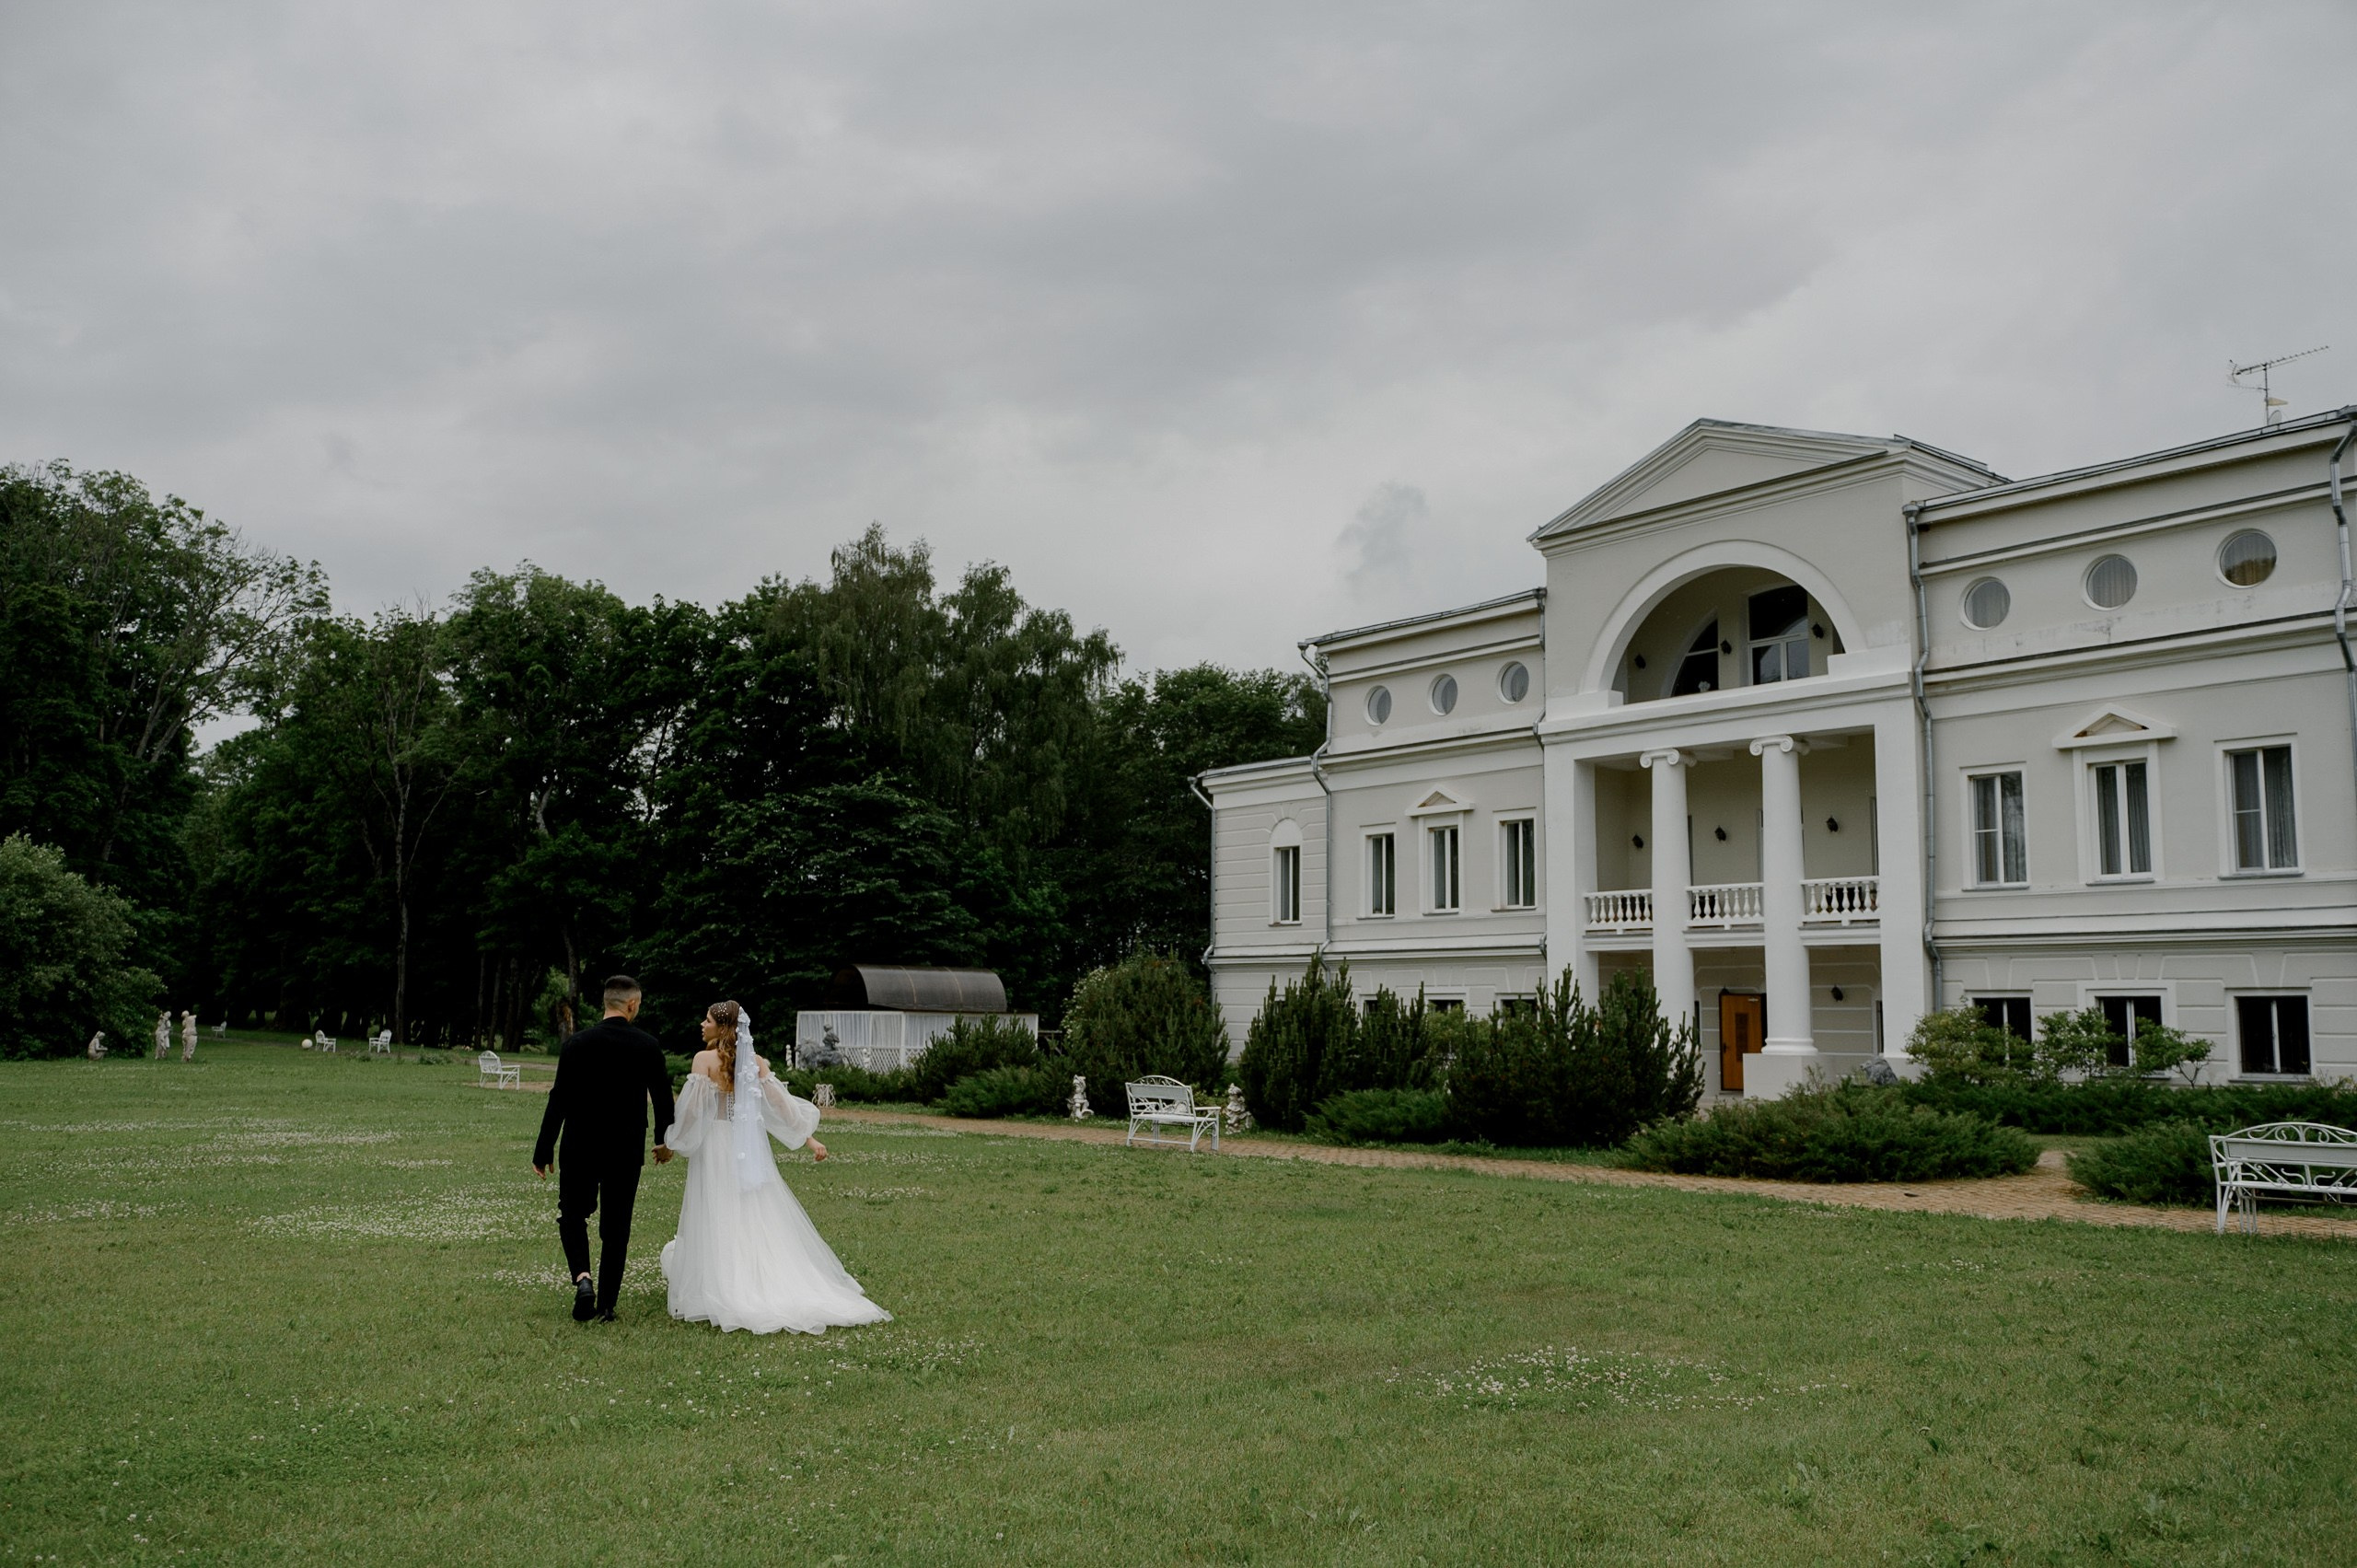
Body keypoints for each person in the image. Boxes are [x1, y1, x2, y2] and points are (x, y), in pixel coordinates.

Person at [659, 999, 889, 1335]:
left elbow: (692, 1113)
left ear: (722, 1028)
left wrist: (671, 1143)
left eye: (707, 1019)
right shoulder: (757, 1063)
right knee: (753, 1210)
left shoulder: (702, 1061)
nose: (702, 1024)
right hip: (747, 1147)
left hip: (716, 1146)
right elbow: (780, 1106)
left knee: (718, 1208)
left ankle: (725, 1282)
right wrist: (808, 1137)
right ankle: (757, 1274)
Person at [532, 975, 675, 1322]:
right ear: (632, 1004)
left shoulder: (577, 1044)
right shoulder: (647, 1045)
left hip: (580, 1143)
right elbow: (662, 1098)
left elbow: (559, 1098)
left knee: (572, 1214)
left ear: (605, 1003)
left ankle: (583, 1279)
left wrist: (543, 1149)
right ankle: (607, 1305)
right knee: (616, 1225)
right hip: (625, 1148)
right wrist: (664, 1141)